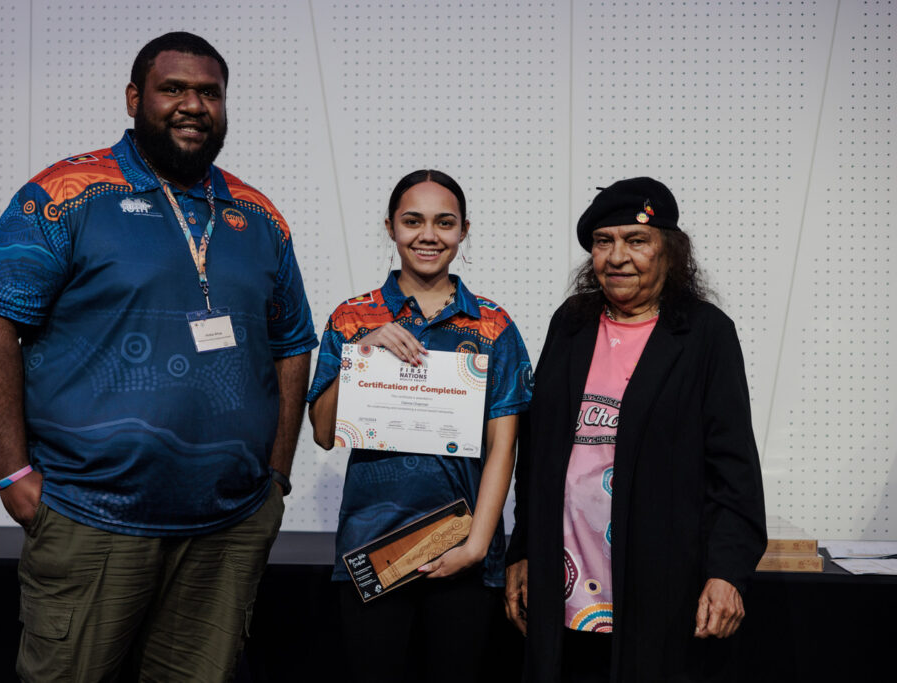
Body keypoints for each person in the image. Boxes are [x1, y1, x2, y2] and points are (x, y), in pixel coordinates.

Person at [0, 32, 317, 682]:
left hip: (227, 526)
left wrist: (276, 477)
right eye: (173, 89)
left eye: (209, 93)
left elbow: (293, 343)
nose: (193, 105)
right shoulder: (64, 194)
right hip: (91, 516)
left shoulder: (258, 215)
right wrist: (14, 474)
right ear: (134, 98)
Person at [504, 177, 767, 682]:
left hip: (661, 586)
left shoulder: (705, 334)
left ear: (670, 251)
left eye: (636, 240)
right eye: (604, 242)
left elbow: (734, 470)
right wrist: (523, 551)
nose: (617, 257)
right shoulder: (571, 323)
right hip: (565, 584)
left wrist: (727, 572)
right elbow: (535, 454)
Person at [307, 170, 533, 682]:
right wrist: (362, 353)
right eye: (413, 221)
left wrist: (476, 547)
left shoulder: (493, 325)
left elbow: (504, 447)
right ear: (390, 227)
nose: (428, 235)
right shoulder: (352, 318)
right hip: (373, 549)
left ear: (463, 230)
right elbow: (323, 432)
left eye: (444, 222)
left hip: (462, 547)